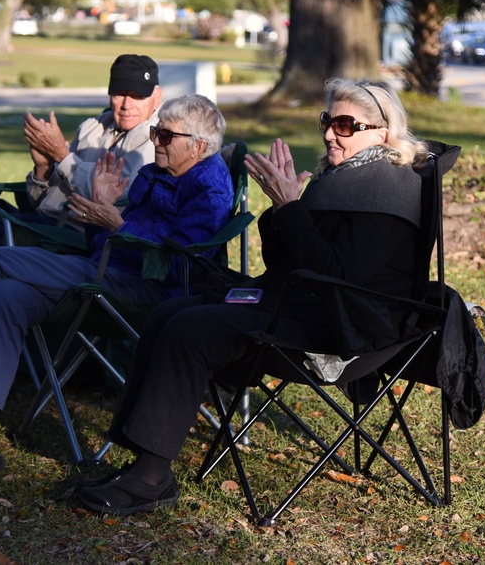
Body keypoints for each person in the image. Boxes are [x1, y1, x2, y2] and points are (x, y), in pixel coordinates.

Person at [74, 77, 430, 516]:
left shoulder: (388, 189)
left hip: (348, 325)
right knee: (169, 312)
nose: (328, 133)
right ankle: (140, 461)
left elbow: (338, 276)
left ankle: (150, 479)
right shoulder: (344, 176)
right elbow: (291, 260)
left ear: (381, 131)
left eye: (343, 124)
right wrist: (285, 209)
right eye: (327, 120)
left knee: (191, 329)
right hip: (301, 304)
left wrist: (291, 208)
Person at [0, 95, 234, 481]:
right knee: (6, 296)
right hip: (106, 273)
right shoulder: (161, 174)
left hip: (144, 294)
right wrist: (102, 211)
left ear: (199, 146)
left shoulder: (210, 189)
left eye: (165, 135)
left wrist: (118, 225)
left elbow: (180, 262)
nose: (155, 141)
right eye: (155, 132)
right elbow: (107, 242)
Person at [0, 54, 162, 395]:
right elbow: (46, 197)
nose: (127, 103)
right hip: (48, 221)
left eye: (138, 95)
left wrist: (63, 157)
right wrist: (44, 168)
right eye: (120, 93)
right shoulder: (93, 128)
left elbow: (116, 201)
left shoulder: (156, 143)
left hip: (85, 240)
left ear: (156, 97)